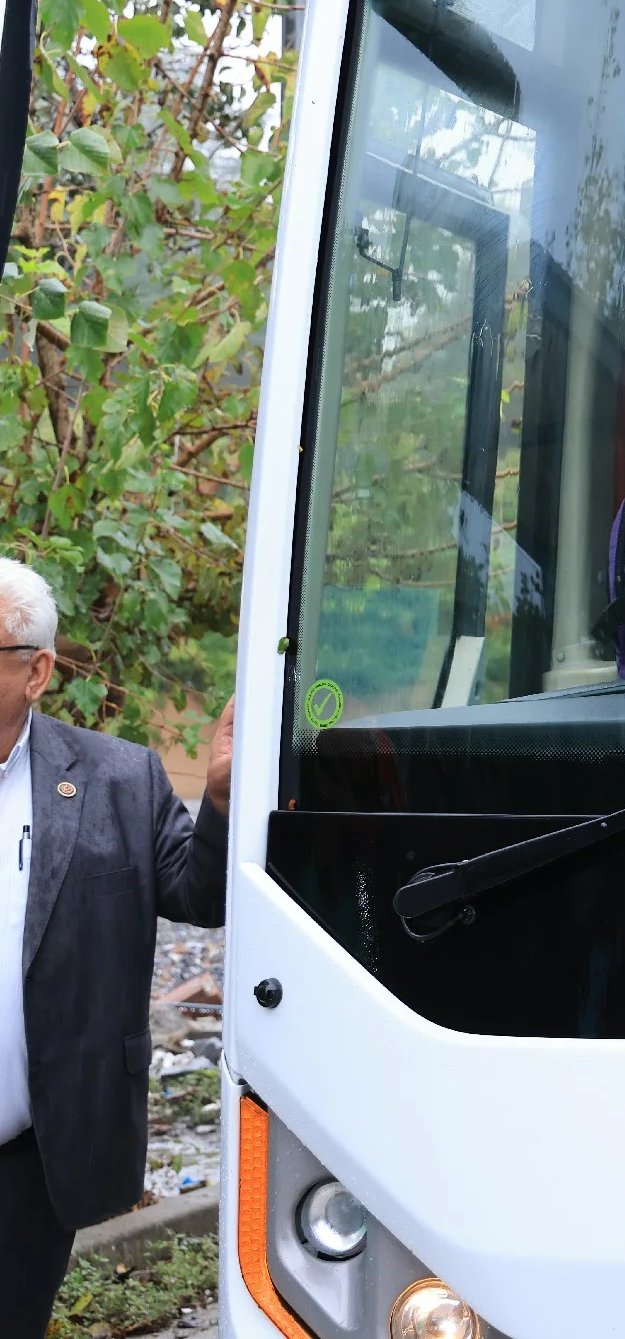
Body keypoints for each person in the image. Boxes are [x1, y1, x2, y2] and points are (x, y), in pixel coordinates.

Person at [0, 560, 232, 1339]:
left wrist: (222, 800)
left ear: (36, 672)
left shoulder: (117, 779)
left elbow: (198, 897)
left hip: (33, 1154)